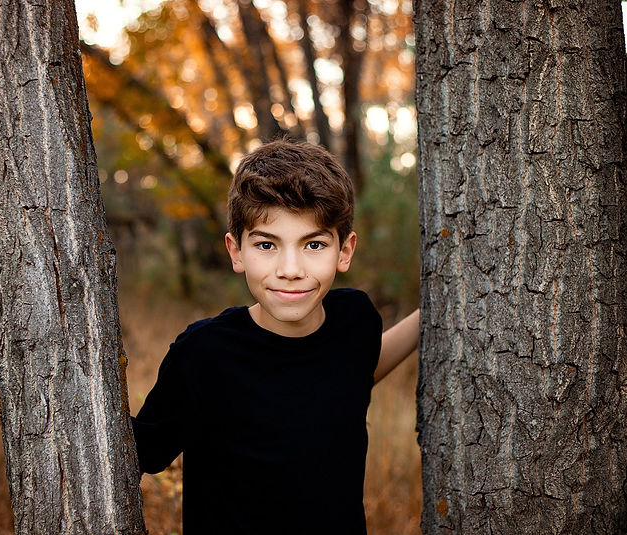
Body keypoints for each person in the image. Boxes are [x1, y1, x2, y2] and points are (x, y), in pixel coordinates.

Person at [132, 140, 420, 533]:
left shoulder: (355, 321)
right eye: (267, 245)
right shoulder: (204, 354)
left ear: (345, 251)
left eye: (313, 244)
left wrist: (428, 317)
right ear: (236, 252)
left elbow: (353, 374)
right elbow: (142, 452)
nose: (290, 269)